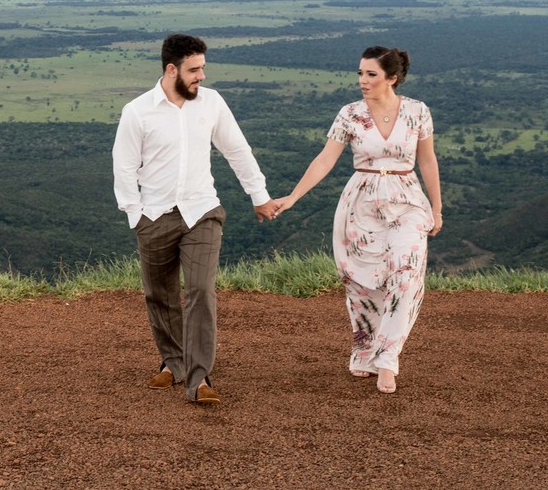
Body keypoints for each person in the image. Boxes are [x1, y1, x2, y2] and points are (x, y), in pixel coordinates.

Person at [113, 33, 280, 405]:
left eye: (202, 68)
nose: (201, 76)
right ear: (172, 70)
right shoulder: (137, 112)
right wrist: (135, 215)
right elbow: (124, 168)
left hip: (202, 211)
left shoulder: (212, 103)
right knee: (160, 295)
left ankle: (199, 377)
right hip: (153, 215)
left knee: (200, 290)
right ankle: (173, 363)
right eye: (194, 69)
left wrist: (259, 196)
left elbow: (237, 150)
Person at [274, 46, 442, 394]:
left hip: (408, 200)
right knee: (363, 282)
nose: (362, 81)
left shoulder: (417, 111)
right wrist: (293, 197)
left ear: (391, 78)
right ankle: (365, 351)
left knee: (406, 276)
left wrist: (436, 208)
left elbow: (428, 160)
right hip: (361, 202)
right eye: (360, 74)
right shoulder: (350, 114)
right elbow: (325, 159)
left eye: (371, 74)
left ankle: (388, 359)